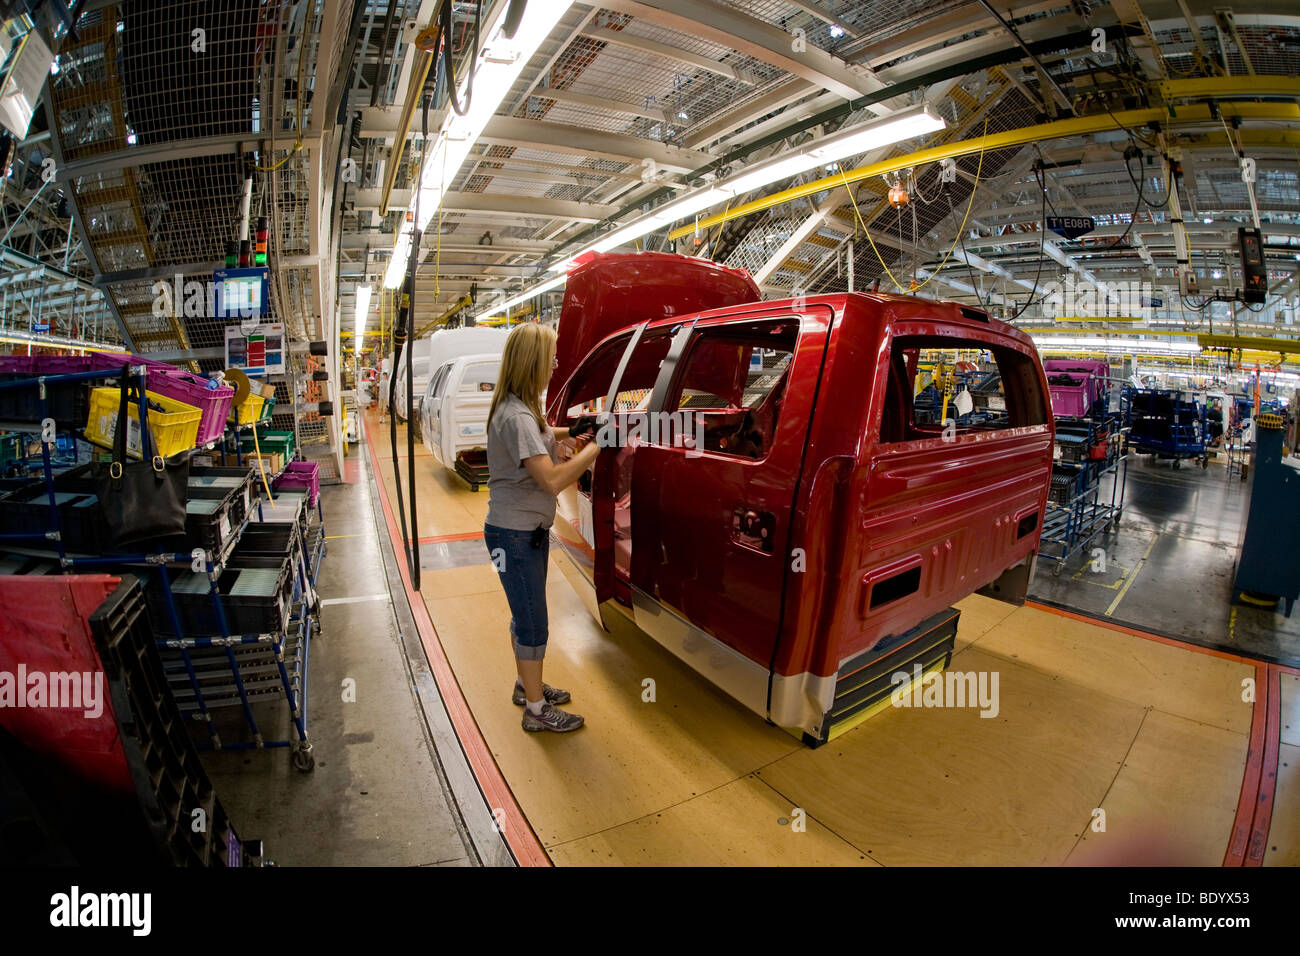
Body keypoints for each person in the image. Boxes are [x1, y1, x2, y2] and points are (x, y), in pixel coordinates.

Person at [484, 323, 600, 733]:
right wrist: (597, 447)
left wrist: (580, 429)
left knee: (524, 614)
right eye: (550, 356)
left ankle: (525, 684)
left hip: (517, 533)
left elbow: (542, 436)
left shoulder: (519, 406)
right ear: (533, 361)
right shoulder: (516, 415)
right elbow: (551, 479)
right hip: (515, 537)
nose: (555, 363)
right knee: (533, 622)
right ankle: (536, 711)